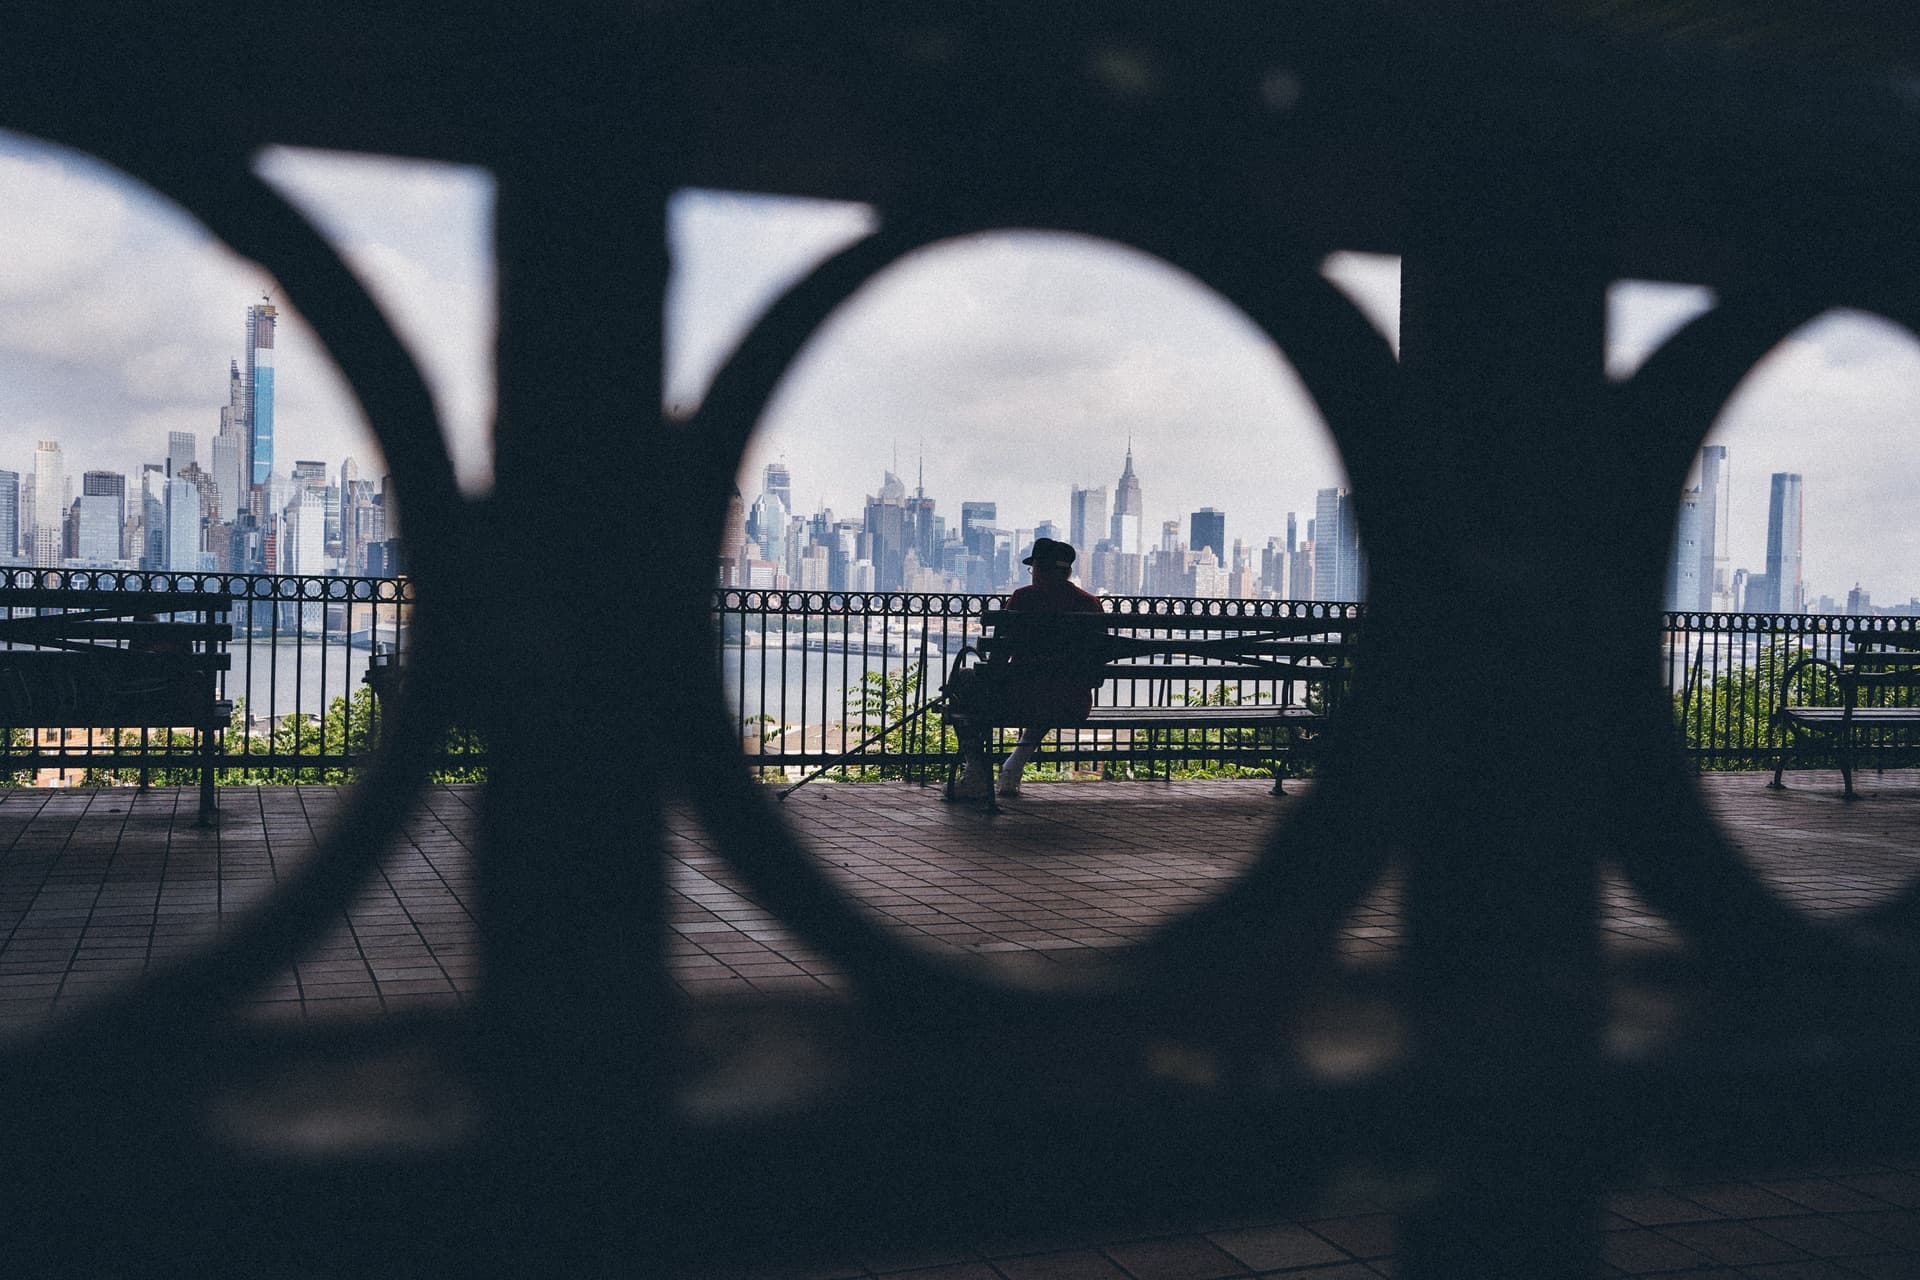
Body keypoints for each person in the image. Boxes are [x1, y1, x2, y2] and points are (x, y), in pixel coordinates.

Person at [947, 537, 1106, 799]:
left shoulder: (1023, 598)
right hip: (1073, 705)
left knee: (964, 679)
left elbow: (998, 662)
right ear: (1067, 571)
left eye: (1033, 569)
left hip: (1025, 700)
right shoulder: (1089, 603)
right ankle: (1013, 767)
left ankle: (975, 770)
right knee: (1050, 692)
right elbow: (1095, 673)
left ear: (1040, 569)